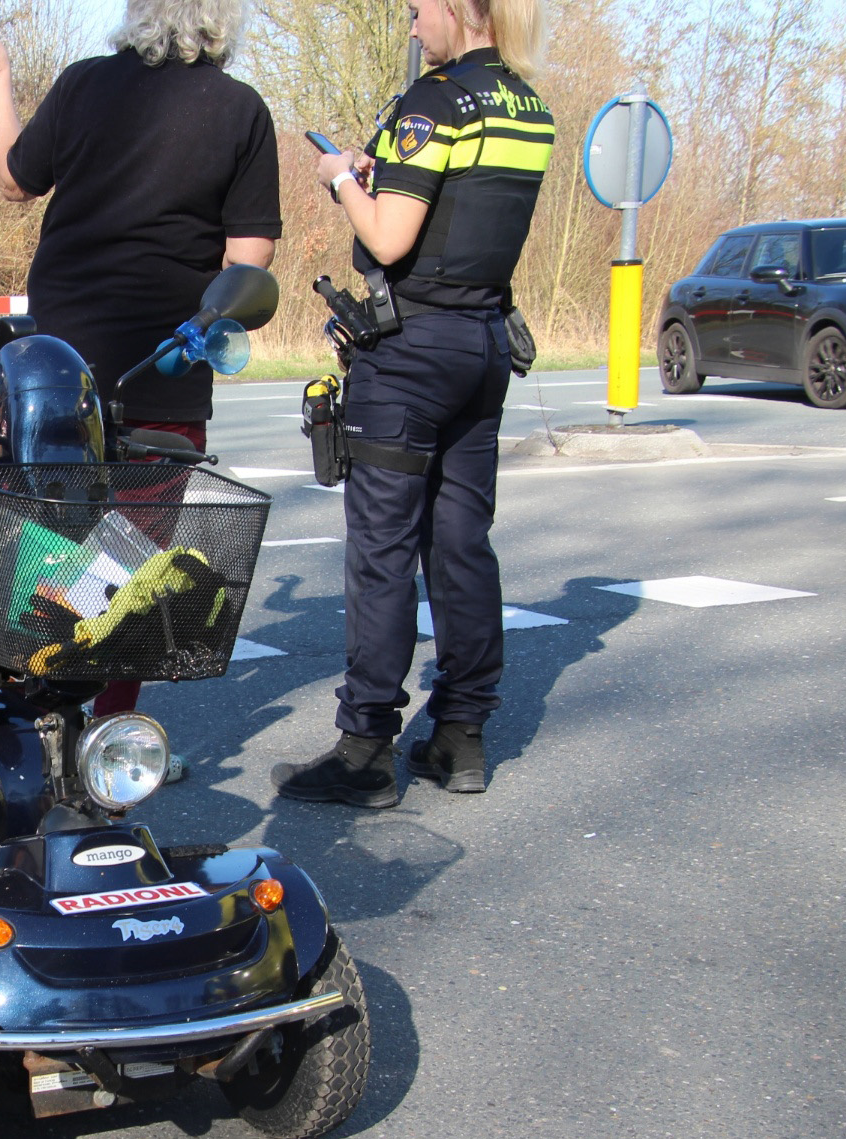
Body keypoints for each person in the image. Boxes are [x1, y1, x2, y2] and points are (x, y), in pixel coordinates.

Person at [0, 0, 281, 732]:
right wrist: (212, 324)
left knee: (41, 544)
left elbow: (12, 180)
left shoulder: (85, 84)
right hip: (162, 370)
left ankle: (30, 714)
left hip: (54, 373)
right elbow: (248, 260)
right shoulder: (241, 110)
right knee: (134, 566)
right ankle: (107, 735)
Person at [272, 0, 553, 808]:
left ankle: (364, 750)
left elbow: (391, 240)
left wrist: (339, 181)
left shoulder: (432, 102)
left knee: (382, 550)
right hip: (485, 344)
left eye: (418, 7)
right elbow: (457, 208)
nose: (408, 22)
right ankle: (461, 736)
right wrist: (379, 172)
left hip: (411, 352)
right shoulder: (526, 105)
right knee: (461, 543)